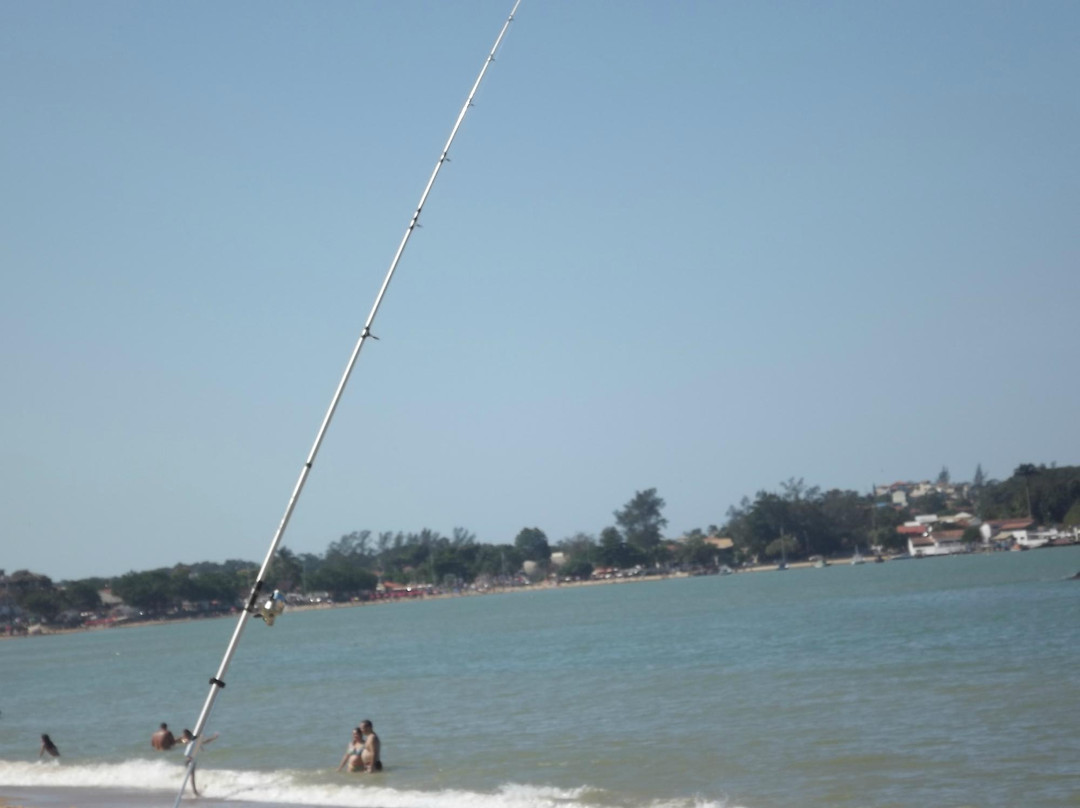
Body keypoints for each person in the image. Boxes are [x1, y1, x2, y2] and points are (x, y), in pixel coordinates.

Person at [177, 729, 218, 797]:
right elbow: (203, 742)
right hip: (190, 760)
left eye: (184, 735)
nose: (183, 736)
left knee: (191, 776)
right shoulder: (191, 740)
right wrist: (213, 738)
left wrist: (213, 738)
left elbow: (204, 742)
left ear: (186, 735)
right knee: (192, 776)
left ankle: (194, 790)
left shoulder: (191, 741)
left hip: (190, 760)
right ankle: (194, 791)